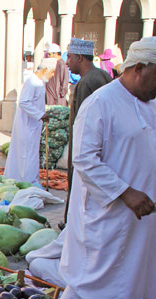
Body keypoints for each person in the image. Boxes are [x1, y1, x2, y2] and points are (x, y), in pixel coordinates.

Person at [58, 36, 156, 299]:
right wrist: (125, 192)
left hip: (144, 217)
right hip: (108, 213)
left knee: (134, 278)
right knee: (92, 279)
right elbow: (84, 160)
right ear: (138, 69)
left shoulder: (151, 101)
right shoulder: (100, 103)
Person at [62, 37, 112, 219]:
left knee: (79, 184)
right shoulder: (103, 75)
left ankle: (73, 222)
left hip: (86, 146)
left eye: (70, 57)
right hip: (100, 145)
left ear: (80, 58)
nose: (67, 63)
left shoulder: (86, 82)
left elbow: (85, 123)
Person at [4, 58, 56, 184]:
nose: (53, 75)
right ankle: (27, 181)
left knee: (31, 154)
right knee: (27, 156)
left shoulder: (40, 82)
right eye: (52, 72)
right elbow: (24, 102)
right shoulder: (32, 82)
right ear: (45, 70)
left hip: (33, 125)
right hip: (27, 125)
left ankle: (28, 179)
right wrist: (40, 115)